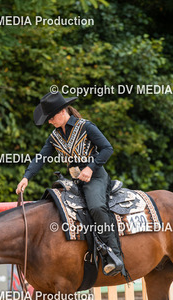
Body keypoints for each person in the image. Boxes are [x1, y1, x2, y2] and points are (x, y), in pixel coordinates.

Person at [16, 92, 124, 276]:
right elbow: (41, 158)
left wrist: (90, 168)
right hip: (75, 180)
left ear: (62, 111)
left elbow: (107, 148)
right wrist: (26, 177)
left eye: (51, 118)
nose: (49, 122)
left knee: (96, 207)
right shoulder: (54, 137)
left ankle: (115, 255)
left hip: (95, 177)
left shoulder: (86, 126)